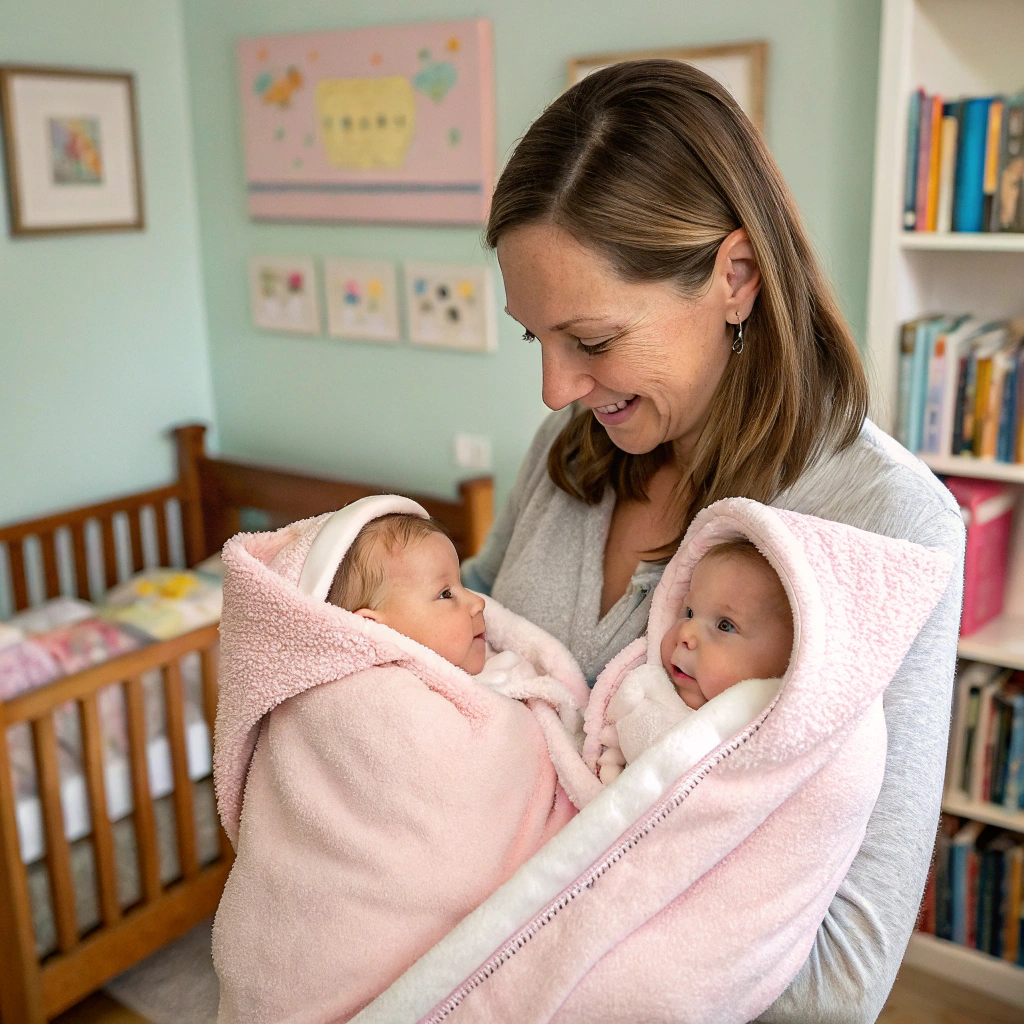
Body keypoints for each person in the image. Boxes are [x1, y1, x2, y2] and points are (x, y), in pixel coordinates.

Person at [461, 59, 965, 1022]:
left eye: (594, 340)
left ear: (735, 277)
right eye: (536, 341)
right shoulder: (570, 452)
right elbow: (478, 625)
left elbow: (839, 981)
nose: (556, 390)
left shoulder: (886, 526)